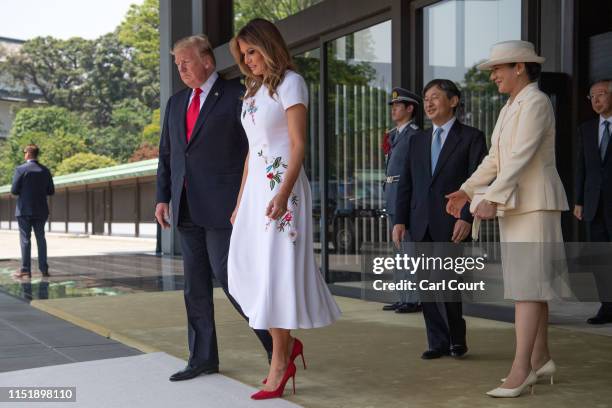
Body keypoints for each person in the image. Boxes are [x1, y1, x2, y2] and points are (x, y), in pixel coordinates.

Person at [446, 40, 569, 398]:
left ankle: (522, 369)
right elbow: (494, 160)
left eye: (498, 68)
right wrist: (467, 191)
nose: (493, 75)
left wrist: (491, 199)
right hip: (519, 206)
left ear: (520, 67)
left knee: (526, 289)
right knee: (531, 286)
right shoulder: (510, 107)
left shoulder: (536, 102)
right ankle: (541, 357)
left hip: (535, 205)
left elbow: (521, 158)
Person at [228, 18, 341, 401]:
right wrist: (241, 200)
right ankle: (286, 349)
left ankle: (280, 362)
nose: (249, 60)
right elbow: (250, 152)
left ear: (269, 45)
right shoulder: (252, 91)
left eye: (253, 51)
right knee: (247, 270)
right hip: (257, 190)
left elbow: (298, 145)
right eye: (244, 55)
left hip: (283, 189)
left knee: (274, 273)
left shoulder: (291, 83)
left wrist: (283, 191)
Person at [155, 34, 273, 382]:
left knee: (233, 281)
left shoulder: (239, 95)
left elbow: (257, 148)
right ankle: (203, 357)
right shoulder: (176, 103)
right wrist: (163, 197)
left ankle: (277, 348)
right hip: (187, 207)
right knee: (194, 288)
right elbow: (168, 155)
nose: (181, 68)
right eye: (177, 63)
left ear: (207, 61)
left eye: (186, 61)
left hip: (226, 208)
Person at [393, 79, 487, 360]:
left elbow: (478, 181)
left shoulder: (472, 137)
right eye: (426, 98)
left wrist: (468, 216)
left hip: (452, 222)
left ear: (454, 101)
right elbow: (406, 183)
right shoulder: (417, 140)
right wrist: (399, 220)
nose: (430, 103)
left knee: (446, 282)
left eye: (435, 97)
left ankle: (457, 339)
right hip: (420, 221)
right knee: (427, 285)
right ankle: (437, 342)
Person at [574, 78, 612, 325]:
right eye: (592, 96)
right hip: (594, 204)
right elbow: (582, 167)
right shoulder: (586, 129)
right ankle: (607, 307)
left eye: (601, 94)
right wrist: (578, 201)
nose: (596, 100)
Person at [382, 87, 422, 314]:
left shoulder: (414, 135)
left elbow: (414, 173)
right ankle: (403, 296)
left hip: (405, 201)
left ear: (410, 109)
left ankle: (414, 299)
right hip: (392, 198)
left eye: (398, 106)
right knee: (399, 252)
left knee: (409, 251)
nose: (394, 109)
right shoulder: (395, 135)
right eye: (393, 106)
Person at [11, 144, 54, 279]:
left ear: (28, 154)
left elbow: (14, 190)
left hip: (24, 210)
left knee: (25, 239)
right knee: (41, 238)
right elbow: (51, 191)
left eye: (24, 152)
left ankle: (25, 270)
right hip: (41, 210)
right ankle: (44, 269)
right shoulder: (45, 170)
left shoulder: (20, 169)